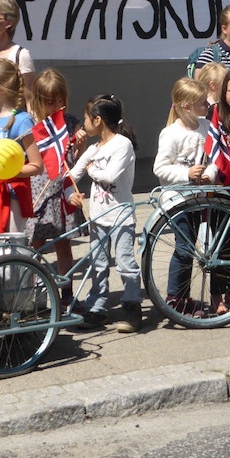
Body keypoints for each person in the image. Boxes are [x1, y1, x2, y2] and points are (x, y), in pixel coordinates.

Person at [67, 95, 138, 331]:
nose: (84, 123)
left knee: (126, 264)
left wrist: (92, 170)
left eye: (86, 118)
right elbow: (70, 176)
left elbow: (109, 176)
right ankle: (97, 308)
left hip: (120, 216)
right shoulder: (92, 149)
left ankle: (131, 307)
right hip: (97, 218)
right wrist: (71, 194)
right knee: (97, 265)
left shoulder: (122, 145)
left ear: (98, 120)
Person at [154, 78, 222, 317]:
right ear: (186, 106)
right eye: (202, 103)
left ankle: (184, 297)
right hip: (177, 201)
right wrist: (186, 173)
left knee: (192, 248)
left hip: (199, 198)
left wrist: (210, 174)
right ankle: (175, 297)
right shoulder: (170, 134)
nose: (206, 106)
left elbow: (215, 157)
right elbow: (160, 168)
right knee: (184, 249)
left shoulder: (205, 127)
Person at [25, 69, 86, 308]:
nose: (55, 106)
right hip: (38, 191)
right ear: (38, 99)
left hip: (62, 191)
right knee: (35, 246)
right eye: (50, 102)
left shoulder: (69, 123)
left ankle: (66, 293)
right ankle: (37, 297)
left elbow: (75, 162)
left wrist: (80, 146)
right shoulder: (30, 125)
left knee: (63, 245)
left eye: (59, 100)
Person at [0, 58, 42, 236]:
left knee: (8, 248)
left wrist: (10, 171)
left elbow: (37, 166)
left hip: (12, 196)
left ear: (2, 87)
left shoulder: (23, 120)